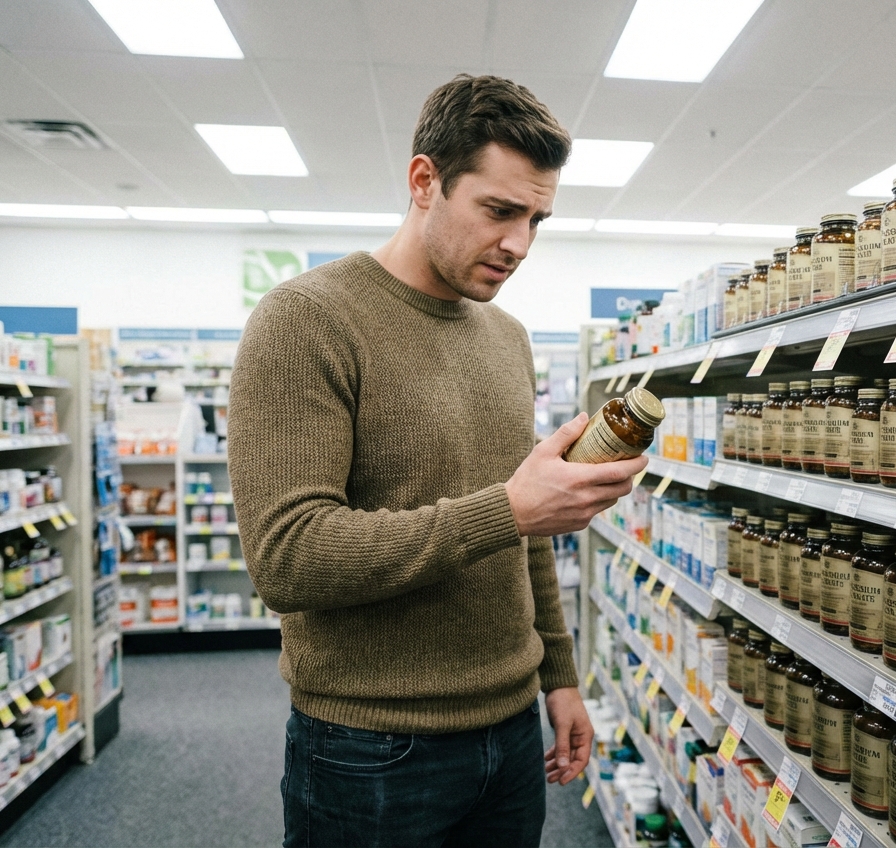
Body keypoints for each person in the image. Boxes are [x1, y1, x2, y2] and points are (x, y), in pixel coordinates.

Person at [227, 74, 647, 848]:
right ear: (425, 181)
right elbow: (288, 557)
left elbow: (527, 533)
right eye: (499, 210)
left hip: (513, 729)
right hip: (371, 749)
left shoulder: (507, 337)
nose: (519, 243)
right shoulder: (306, 321)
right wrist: (509, 509)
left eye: (537, 219)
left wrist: (559, 675)